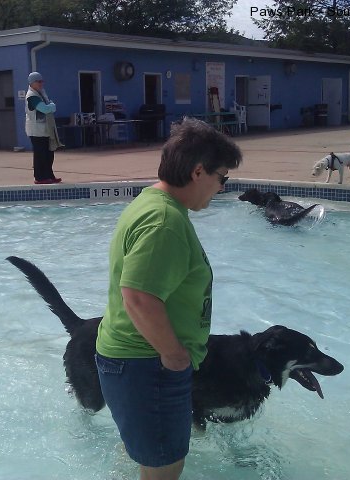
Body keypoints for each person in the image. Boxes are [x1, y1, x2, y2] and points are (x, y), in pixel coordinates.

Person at [95, 118, 242, 480]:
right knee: (164, 471)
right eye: (222, 177)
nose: (222, 188)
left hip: (136, 363)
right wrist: (175, 357)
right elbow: (139, 297)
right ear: (197, 171)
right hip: (148, 365)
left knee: (152, 461)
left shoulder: (152, 203)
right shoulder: (164, 221)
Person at [25, 72, 63, 184]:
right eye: (39, 81)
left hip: (45, 129)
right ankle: (39, 177)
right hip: (36, 130)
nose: (41, 83)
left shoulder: (40, 93)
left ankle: (49, 175)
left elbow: (48, 107)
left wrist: (50, 106)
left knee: (49, 153)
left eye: (42, 81)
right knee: (40, 154)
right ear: (32, 83)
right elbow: (45, 109)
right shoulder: (32, 96)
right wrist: (52, 106)